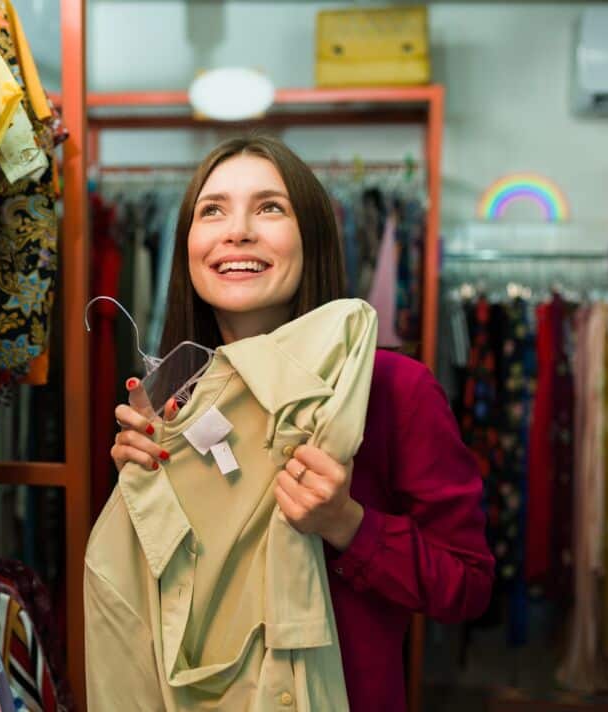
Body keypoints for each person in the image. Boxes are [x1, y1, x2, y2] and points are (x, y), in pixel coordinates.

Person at [109, 135, 494, 710]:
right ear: (187, 245)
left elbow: (468, 586)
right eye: (212, 210)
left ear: (311, 238)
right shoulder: (171, 398)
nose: (237, 230)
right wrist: (140, 483)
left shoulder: (392, 390)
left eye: (269, 207)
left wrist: (348, 525)